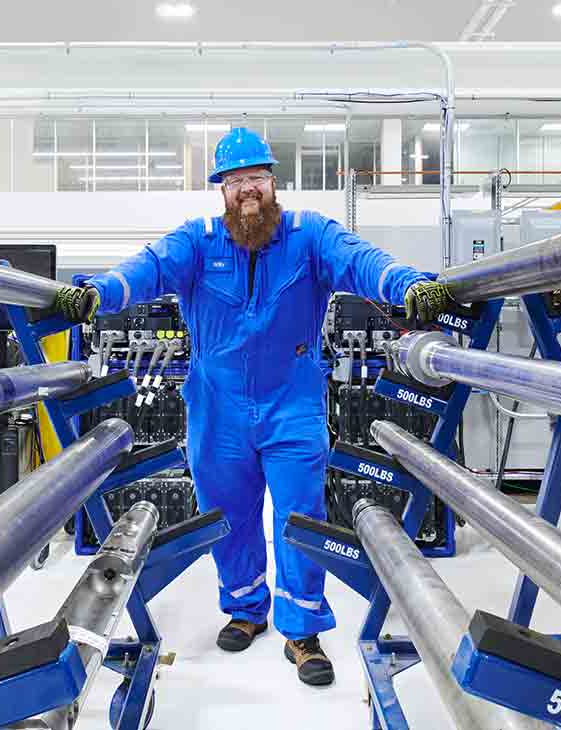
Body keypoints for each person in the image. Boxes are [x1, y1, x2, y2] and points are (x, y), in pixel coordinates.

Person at [54, 127, 451, 687]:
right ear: (222, 189)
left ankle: (303, 631)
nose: (247, 191)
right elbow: (147, 268)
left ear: (272, 182)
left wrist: (407, 284)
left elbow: (360, 260)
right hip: (217, 408)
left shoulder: (308, 235)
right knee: (231, 512)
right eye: (235, 181)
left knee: (299, 515)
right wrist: (99, 292)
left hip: (293, 401)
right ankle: (245, 610)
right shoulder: (198, 242)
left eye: (256, 179)